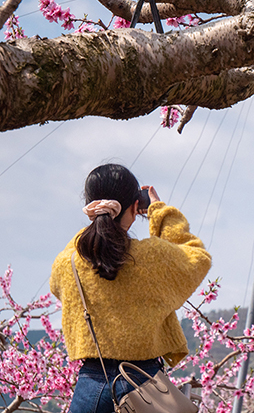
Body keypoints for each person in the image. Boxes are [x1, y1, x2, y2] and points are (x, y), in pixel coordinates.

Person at [50, 163, 212, 413]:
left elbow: (56, 286)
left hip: (91, 387)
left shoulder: (68, 262)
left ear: (90, 208)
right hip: (144, 383)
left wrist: (93, 229)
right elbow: (196, 257)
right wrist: (160, 211)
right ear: (136, 206)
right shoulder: (151, 257)